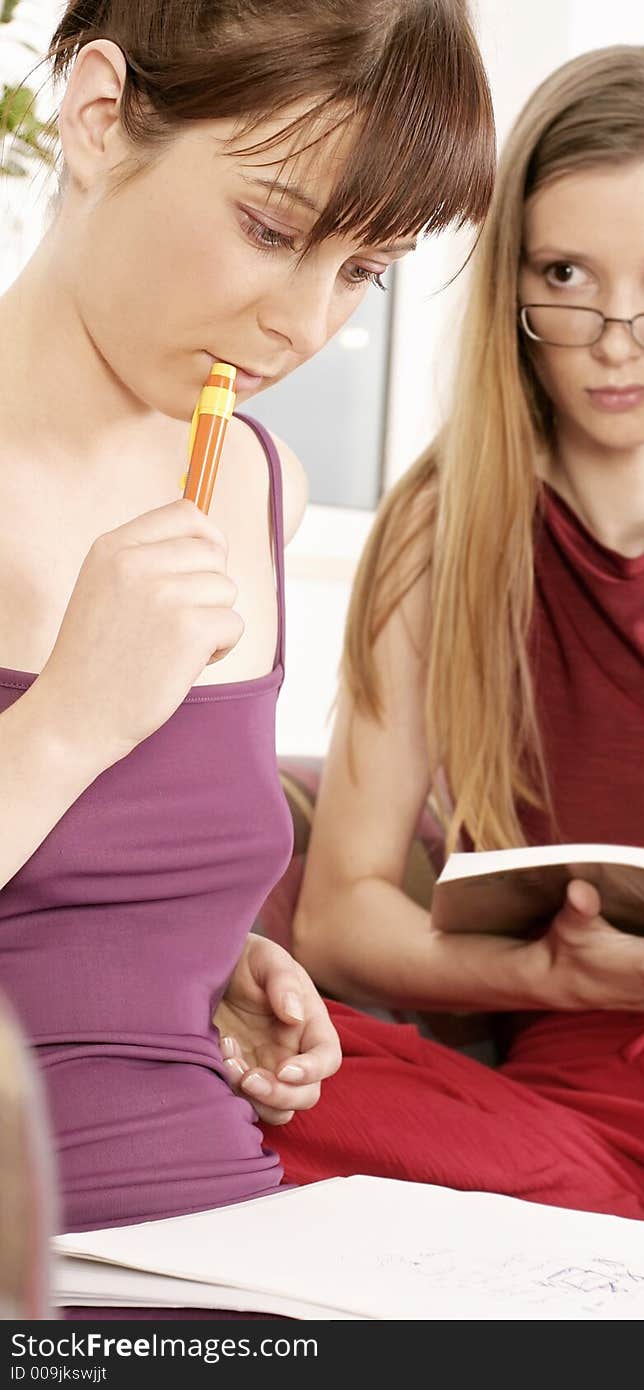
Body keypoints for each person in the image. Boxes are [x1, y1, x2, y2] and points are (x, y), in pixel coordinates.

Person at [259, 46, 644, 1256]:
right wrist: (562, 978)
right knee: (243, 1077)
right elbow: (337, 921)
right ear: (512, 286)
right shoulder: (446, 525)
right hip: (586, 1104)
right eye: (565, 275)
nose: (614, 337)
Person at [0, 0, 494, 1265]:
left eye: (359, 270)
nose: (307, 326)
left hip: (226, 1241)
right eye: (271, 228)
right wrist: (61, 728)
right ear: (99, 119)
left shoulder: (256, 481)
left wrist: (212, 966)